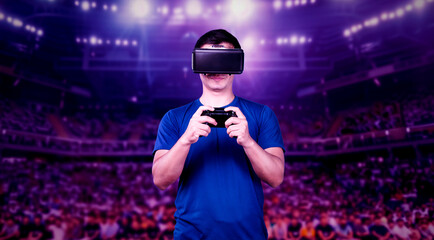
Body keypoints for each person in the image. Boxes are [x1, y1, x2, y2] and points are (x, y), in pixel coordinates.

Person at [152, 29, 285, 240]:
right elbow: (160, 179)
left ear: (237, 63)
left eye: (225, 59)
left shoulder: (262, 114)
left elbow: (276, 177)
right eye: (209, 60)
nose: (217, 68)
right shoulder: (174, 118)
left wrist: (249, 142)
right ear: (197, 64)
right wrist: (186, 139)